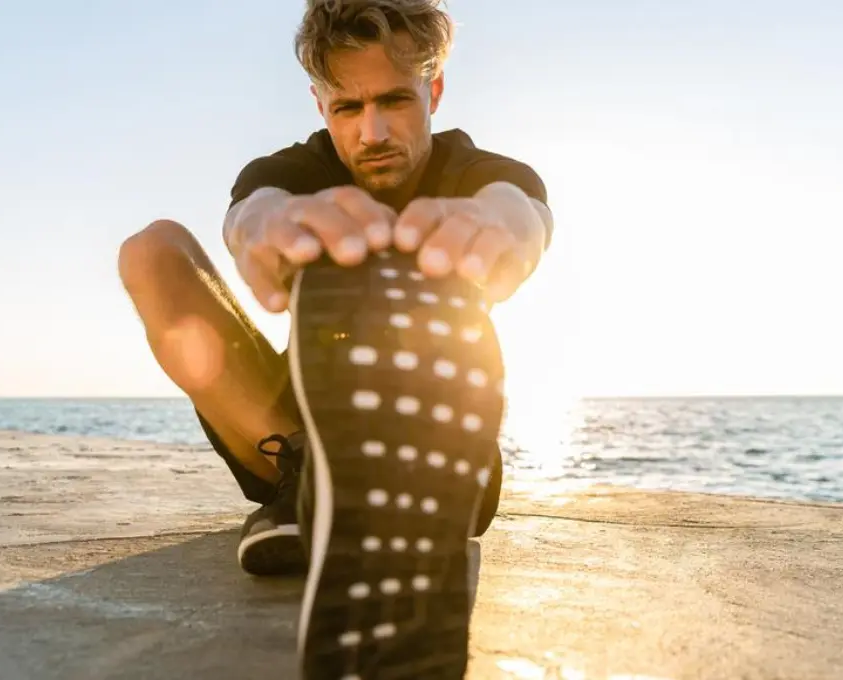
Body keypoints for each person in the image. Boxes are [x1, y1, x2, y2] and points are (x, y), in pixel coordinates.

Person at [119, 0, 551, 675]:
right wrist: (262, 226)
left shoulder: (473, 172)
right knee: (152, 251)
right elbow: (252, 208)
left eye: (394, 101)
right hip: (294, 438)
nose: (372, 130)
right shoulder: (295, 173)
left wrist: (509, 227)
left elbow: (520, 204)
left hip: (435, 456)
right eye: (348, 109)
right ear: (320, 105)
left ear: (433, 89)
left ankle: (391, 507)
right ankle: (310, 483)